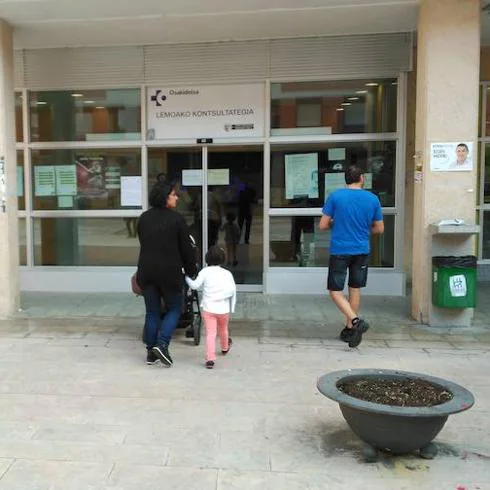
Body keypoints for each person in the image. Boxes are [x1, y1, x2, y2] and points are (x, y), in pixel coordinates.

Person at [319, 164, 384, 348]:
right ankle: (350, 329)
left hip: (340, 250)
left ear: (345, 180)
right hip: (362, 250)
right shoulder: (372, 199)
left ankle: (355, 321)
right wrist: (363, 230)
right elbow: (379, 228)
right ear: (362, 178)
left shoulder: (336, 196)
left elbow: (323, 225)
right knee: (354, 288)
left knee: (335, 291)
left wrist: (336, 223)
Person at [136, 176, 197, 367]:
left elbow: (143, 242)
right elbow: (186, 249)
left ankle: (150, 353)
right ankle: (162, 345)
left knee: (152, 312)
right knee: (174, 309)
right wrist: (191, 270)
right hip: (170, 273)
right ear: (164, 197)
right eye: (173, 195)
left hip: (146, 271)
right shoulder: (176, 219)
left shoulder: (144, 218)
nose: (176, 198)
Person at [185, 246, 236, 369]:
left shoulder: (204, 272)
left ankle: (210, 359)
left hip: (208, 308)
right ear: (223, 259)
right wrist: (232, 308)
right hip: (223, 309)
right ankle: (224, 347)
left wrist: (186, 277)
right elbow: (233, 291)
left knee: (210, 333)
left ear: (207, 258)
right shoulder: (227, 273)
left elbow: (195, 286)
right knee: (223, 329)